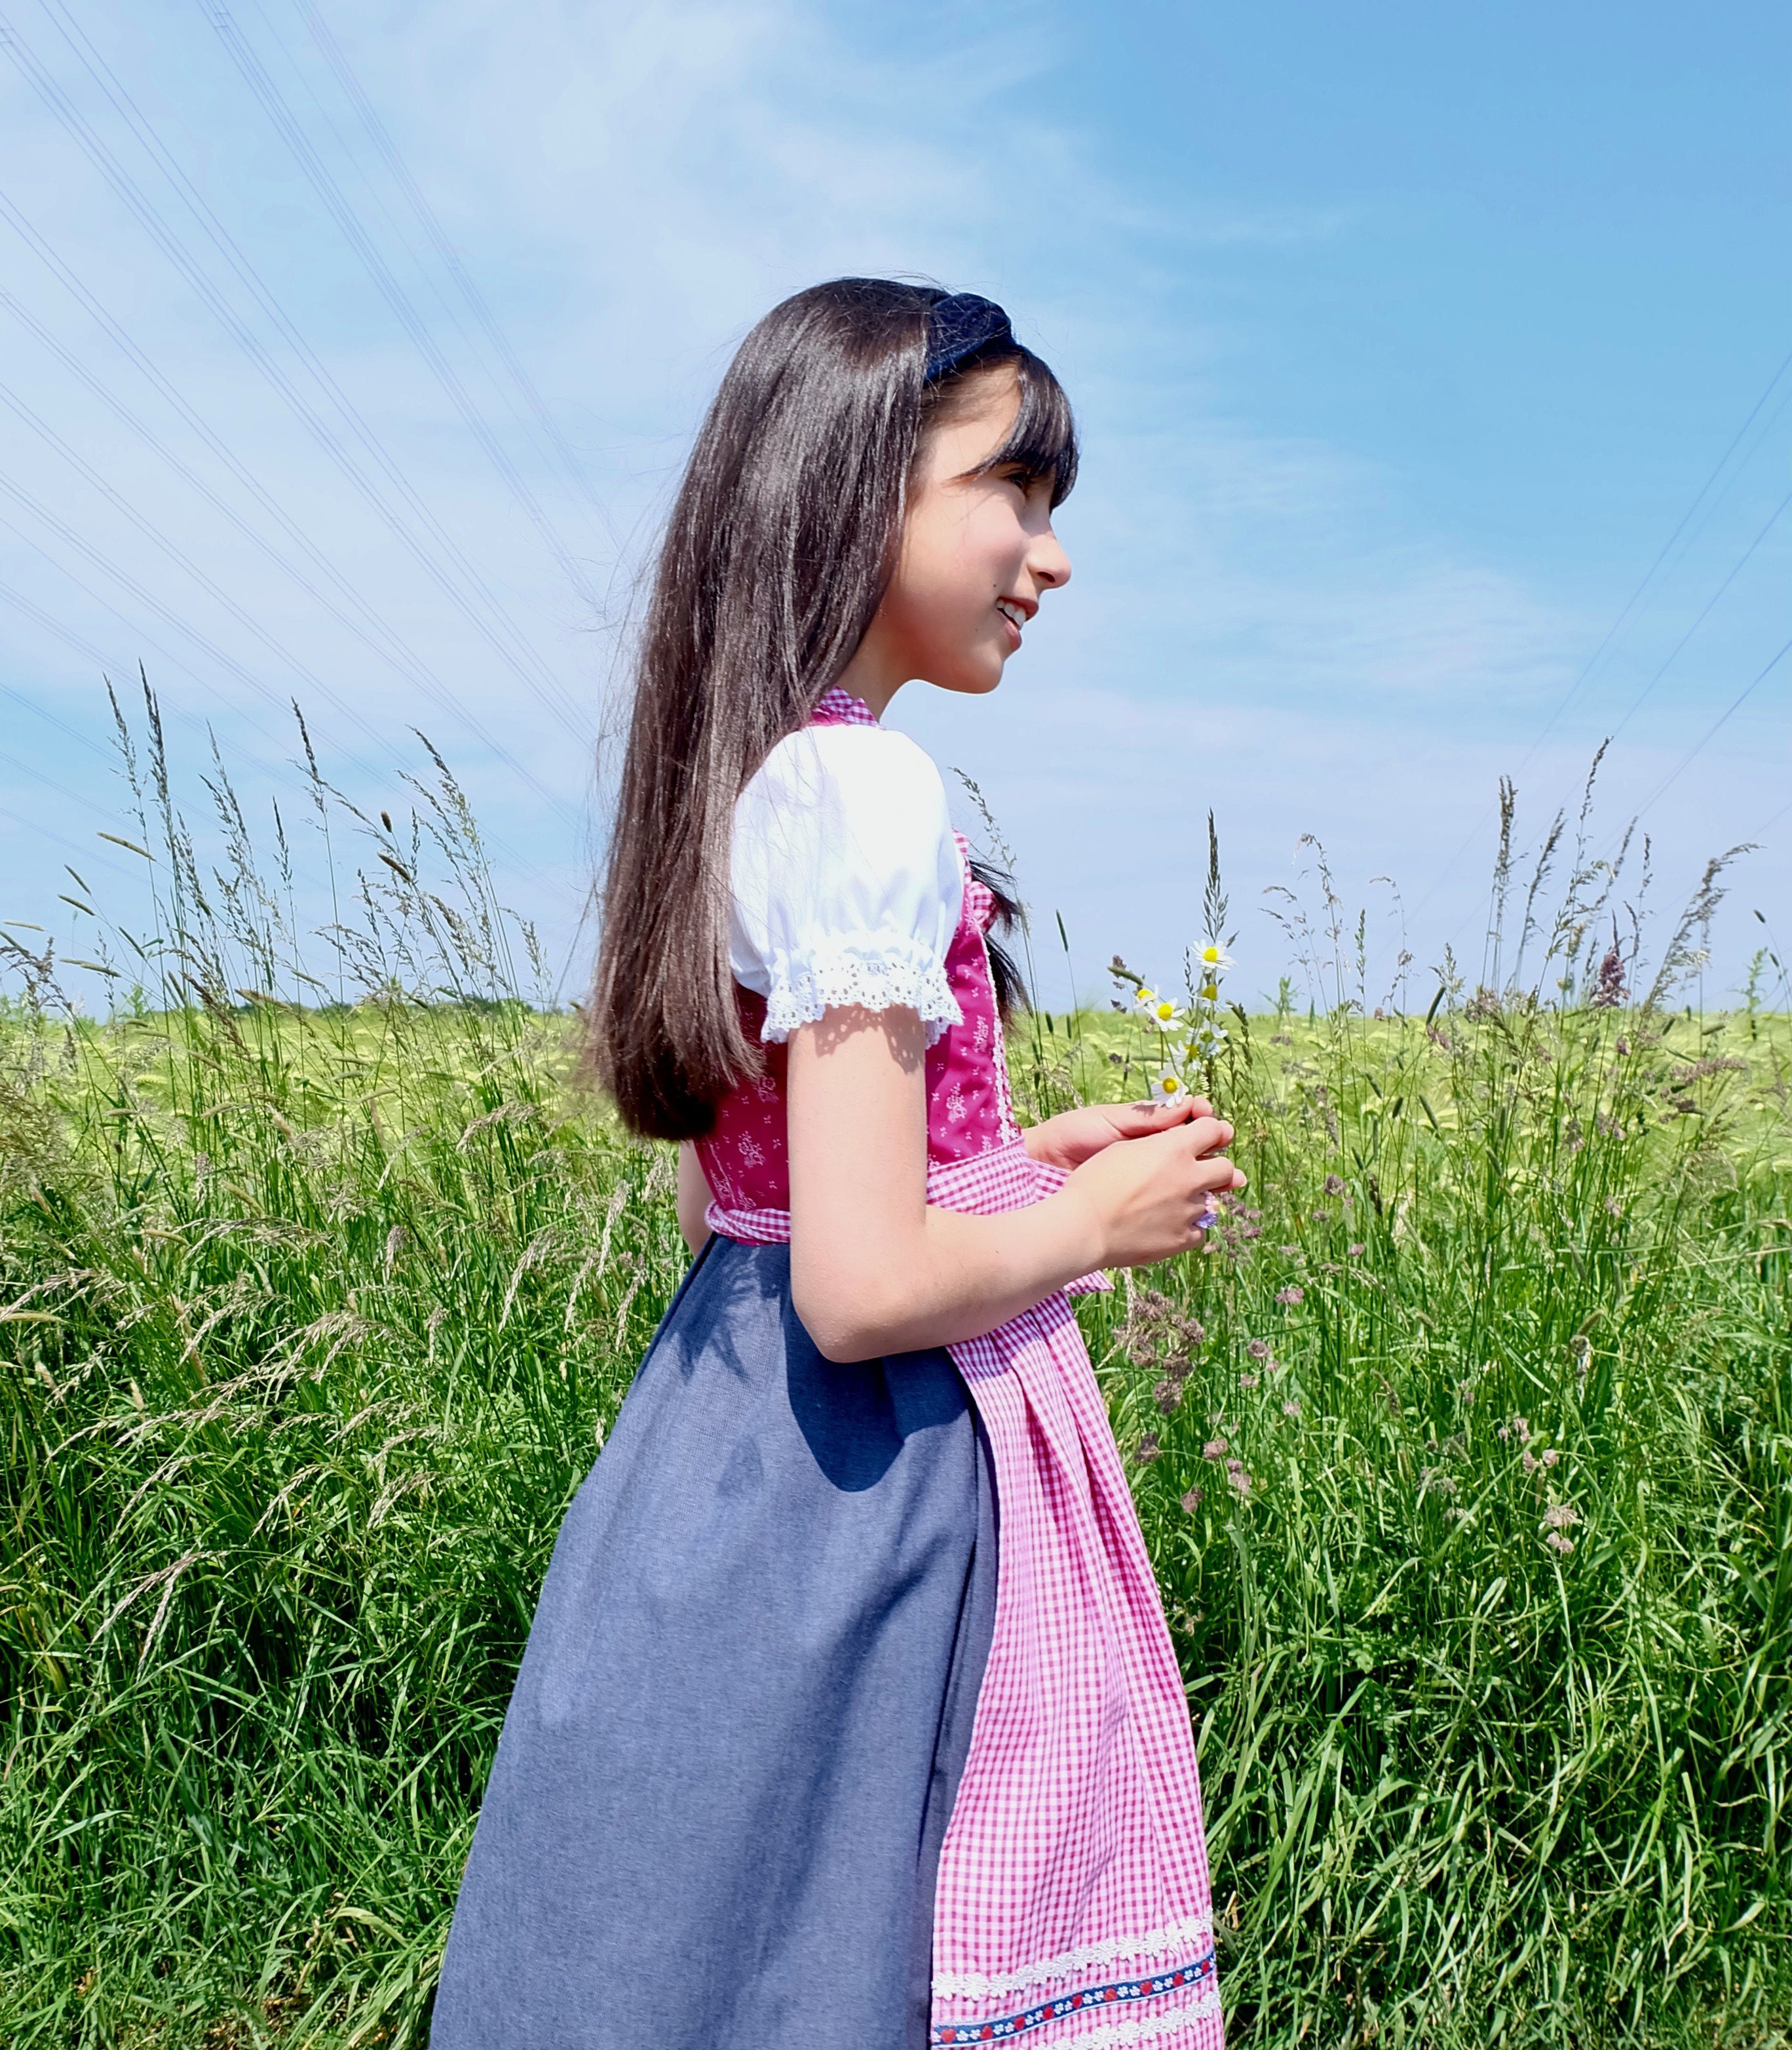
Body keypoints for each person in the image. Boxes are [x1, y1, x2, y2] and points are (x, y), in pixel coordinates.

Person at [432, 279, 1243, 2050]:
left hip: (718, 1446)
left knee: (703, 1931)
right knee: (846, 1945)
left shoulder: (762, 768)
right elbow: (861, 1286)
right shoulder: (868, 794)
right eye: (1011, 492)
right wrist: (1096, 1223)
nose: (1050, 554)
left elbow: (776, 1200)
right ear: (856, 484)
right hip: (858, 1477)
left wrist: (1014, 1162)